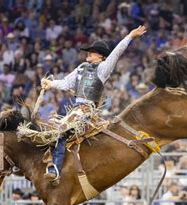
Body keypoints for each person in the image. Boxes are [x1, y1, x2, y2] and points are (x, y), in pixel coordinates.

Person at [40, 25, 147, 183]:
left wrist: (129, 37)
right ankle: (52, 166)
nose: (88, 53)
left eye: (92, 51)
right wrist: (51, 84)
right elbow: (66, 83)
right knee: (51, 130)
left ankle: (55, 169)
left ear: (101, 56)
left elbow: (116, 53)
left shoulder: (103, 69)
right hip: (76, 111)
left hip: (86, 111)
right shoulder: (81, 68)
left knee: (60, 130)